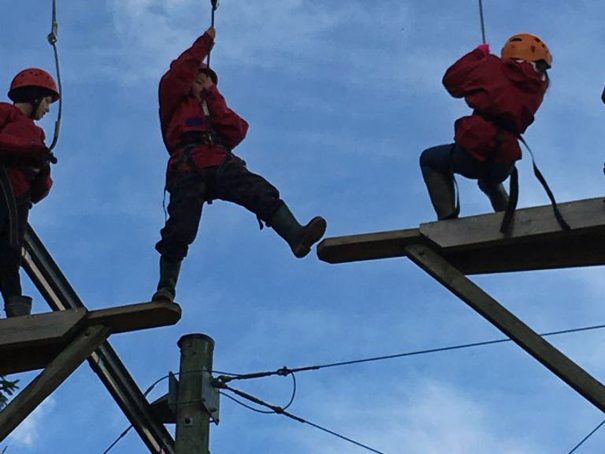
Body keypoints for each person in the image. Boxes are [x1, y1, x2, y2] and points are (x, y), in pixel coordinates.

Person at [152, 26, 327, 302]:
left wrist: (212, 97)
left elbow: (237, 130)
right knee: (180, 227)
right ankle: (165, 287)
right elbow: (177, 73)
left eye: (208, 80)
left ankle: (296, 235)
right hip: (188, 164)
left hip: (219, 159)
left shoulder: (215, 108)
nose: (202, 82)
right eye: (198, 78)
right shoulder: (174, 101)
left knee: (259, 191)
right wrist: (204, 44)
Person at [419, 33, 551, 220]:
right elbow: (504, 98)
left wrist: (477, 55)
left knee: (430, 159)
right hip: (504, 159)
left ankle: (447, 221)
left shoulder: (492, 66)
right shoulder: (538, 88)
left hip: (477, 148)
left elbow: (451, 81)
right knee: (489, 181)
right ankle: (509, 220)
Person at [0, 68, 58, 317]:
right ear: (34, 97)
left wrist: (43, 168)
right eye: (46, 101)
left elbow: (39, 191)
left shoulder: (38, 135)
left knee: (10, 255)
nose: (46, 109)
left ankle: (16, 309)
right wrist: (29, 150)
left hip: (19, 200)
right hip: (2, 184)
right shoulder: (5, 113)